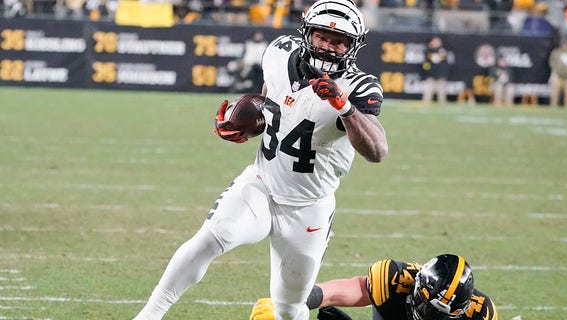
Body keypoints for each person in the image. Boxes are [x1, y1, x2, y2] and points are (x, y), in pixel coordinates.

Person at [132, 0, 388, 319]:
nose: (327, 46)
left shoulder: (359, 86)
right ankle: (148, 315)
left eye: (338, 41)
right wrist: (246, 123)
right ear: (307, 33)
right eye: (322, 36)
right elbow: (271, 100)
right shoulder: (279, 52)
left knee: (289, 305)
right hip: (261, 184)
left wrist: (343, 106)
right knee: (214, 236)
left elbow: (377, 151)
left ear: (353, 47)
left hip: (309, 207)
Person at [249, 253, 499, 320]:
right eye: (429, 310)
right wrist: (293, 303)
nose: (431, 318)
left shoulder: (480, 313)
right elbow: (345, 290)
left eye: (440, 316)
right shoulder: (395, 279)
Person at [548, 38, 567, 108]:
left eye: (566, 44)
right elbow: (551, 63)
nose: (565, 46)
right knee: (554, 95)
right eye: (563, 44)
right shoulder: (556, 52)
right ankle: (553, 109)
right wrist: (555, 72)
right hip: (558, 77)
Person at [421, 37, 449, 105]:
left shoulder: (443, 50)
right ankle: (425, 105)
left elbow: (441, 59)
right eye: (434, 42)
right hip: (430, 75)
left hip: (440, 75)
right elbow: (426, 62)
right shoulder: (428, 50)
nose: (436, 43)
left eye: (437, 42)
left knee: (441, 93)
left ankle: (442, 106)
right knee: (428, 92)